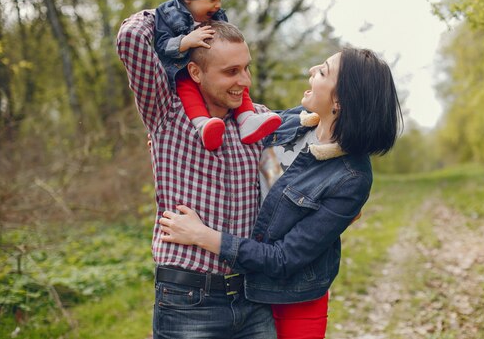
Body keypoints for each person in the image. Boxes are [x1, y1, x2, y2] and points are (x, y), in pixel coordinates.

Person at [158, 48, 403, 338]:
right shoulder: (291, 122)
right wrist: (170, 137)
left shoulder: (352, 177)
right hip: (242, 289)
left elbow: (284, 259)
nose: (312, 69)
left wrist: (202, 235)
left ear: (339, 100)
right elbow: (226, 125)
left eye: (323, 71)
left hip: (294, 299)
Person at [117, 14, 276, 339]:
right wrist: (187, 12)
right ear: (196, 72)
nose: (244, 81)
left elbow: (313, 129)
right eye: (231, 71)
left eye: (246, 68)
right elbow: (131, 38)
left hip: (253, 299)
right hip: (188, 300)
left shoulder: (256, 120)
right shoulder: (166, 113)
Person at [155, 0, 280, 151]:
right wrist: (185, 42)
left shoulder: (217, 15)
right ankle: (203, 124)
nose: (218, 5)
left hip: (211, 65)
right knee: (187, 87)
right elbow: (161, 45)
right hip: (183, 69)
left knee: (239, 78)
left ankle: (247, 118)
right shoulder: (168, 14)